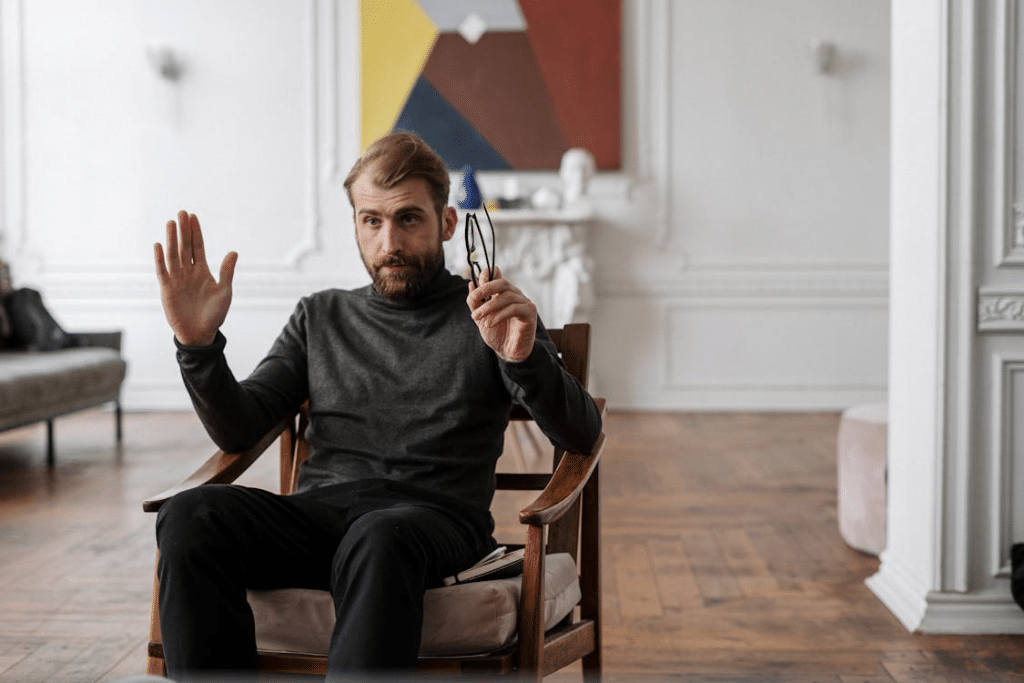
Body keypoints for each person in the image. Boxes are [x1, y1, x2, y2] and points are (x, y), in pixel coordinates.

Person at [151, 132, 602, 681]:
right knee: (190, 514)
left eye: (408, 219)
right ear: (357, 226)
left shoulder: (492, 316)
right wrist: (198, 347)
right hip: (320, 518)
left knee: (379, 534)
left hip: (432, 523)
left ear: (447, 224)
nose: (389, 240)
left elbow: (581, 434)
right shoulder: (320, 317)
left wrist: (525, 359)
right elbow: (240, 429)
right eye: (371, 221)